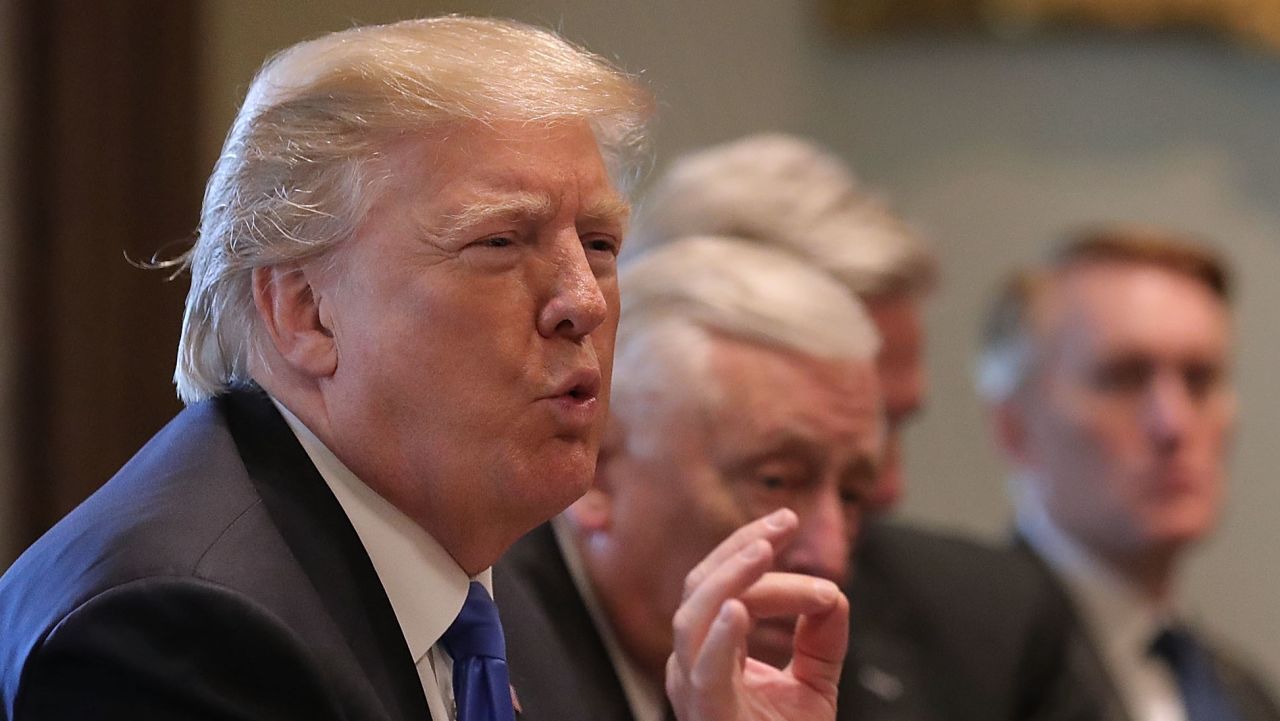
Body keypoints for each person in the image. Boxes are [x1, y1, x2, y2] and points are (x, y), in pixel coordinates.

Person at [0, 18, 847, 721]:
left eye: (599, 243)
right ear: (306, 312)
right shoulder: (180, 626)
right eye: (500, 242)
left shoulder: (481, 565)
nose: (582, 302)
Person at [620, 133, 1091, 721]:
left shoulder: (988, 628)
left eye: (886, 429)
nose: (888, 489)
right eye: (784, 470)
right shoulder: (486, 626)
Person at [499, 234, 883, 721]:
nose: (830, 558)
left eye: (851, 495)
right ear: (596, 472)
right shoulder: (483, 668)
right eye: (775, 481)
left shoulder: (837, 683)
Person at [977, 227, 1280, 721]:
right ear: (1014, 428)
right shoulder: (968, 672)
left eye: (1200, 380)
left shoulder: (1246, 695)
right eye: (1124, 378)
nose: (1174, 424)